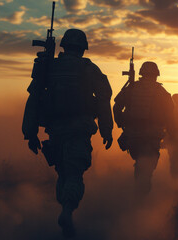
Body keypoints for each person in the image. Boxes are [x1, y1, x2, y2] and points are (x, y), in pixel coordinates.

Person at [22, 29, 113, 238]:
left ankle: (65, 213)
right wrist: (107, 130)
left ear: (63, 46)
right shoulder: (89, 69)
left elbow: (33, 99)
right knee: (74, 173)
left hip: (55, 132)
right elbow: (103, 99)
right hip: (79, 130)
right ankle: (67, 210)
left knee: (63, 173)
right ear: (82, 48)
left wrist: (31, 133)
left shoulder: (49, 68)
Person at [113, 61, 174, 195]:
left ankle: (138, 193)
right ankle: (141, 199)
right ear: (156, 74)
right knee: (146, 168)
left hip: (133, 134)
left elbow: (116, 107)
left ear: (141, 73)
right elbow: (171, 114)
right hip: (152, 135)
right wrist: (168, 133)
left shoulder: (132, 88)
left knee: (140, 162)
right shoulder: (161, 91)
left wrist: (122, 124)